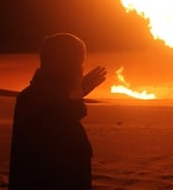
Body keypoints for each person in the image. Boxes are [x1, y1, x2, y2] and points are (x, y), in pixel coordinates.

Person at [8, 33, 106, 190]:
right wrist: (74, 96)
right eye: (78, 64)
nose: (81, 70)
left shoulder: (32, 98)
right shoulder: (45, 108)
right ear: (64, 68)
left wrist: (75, 93)